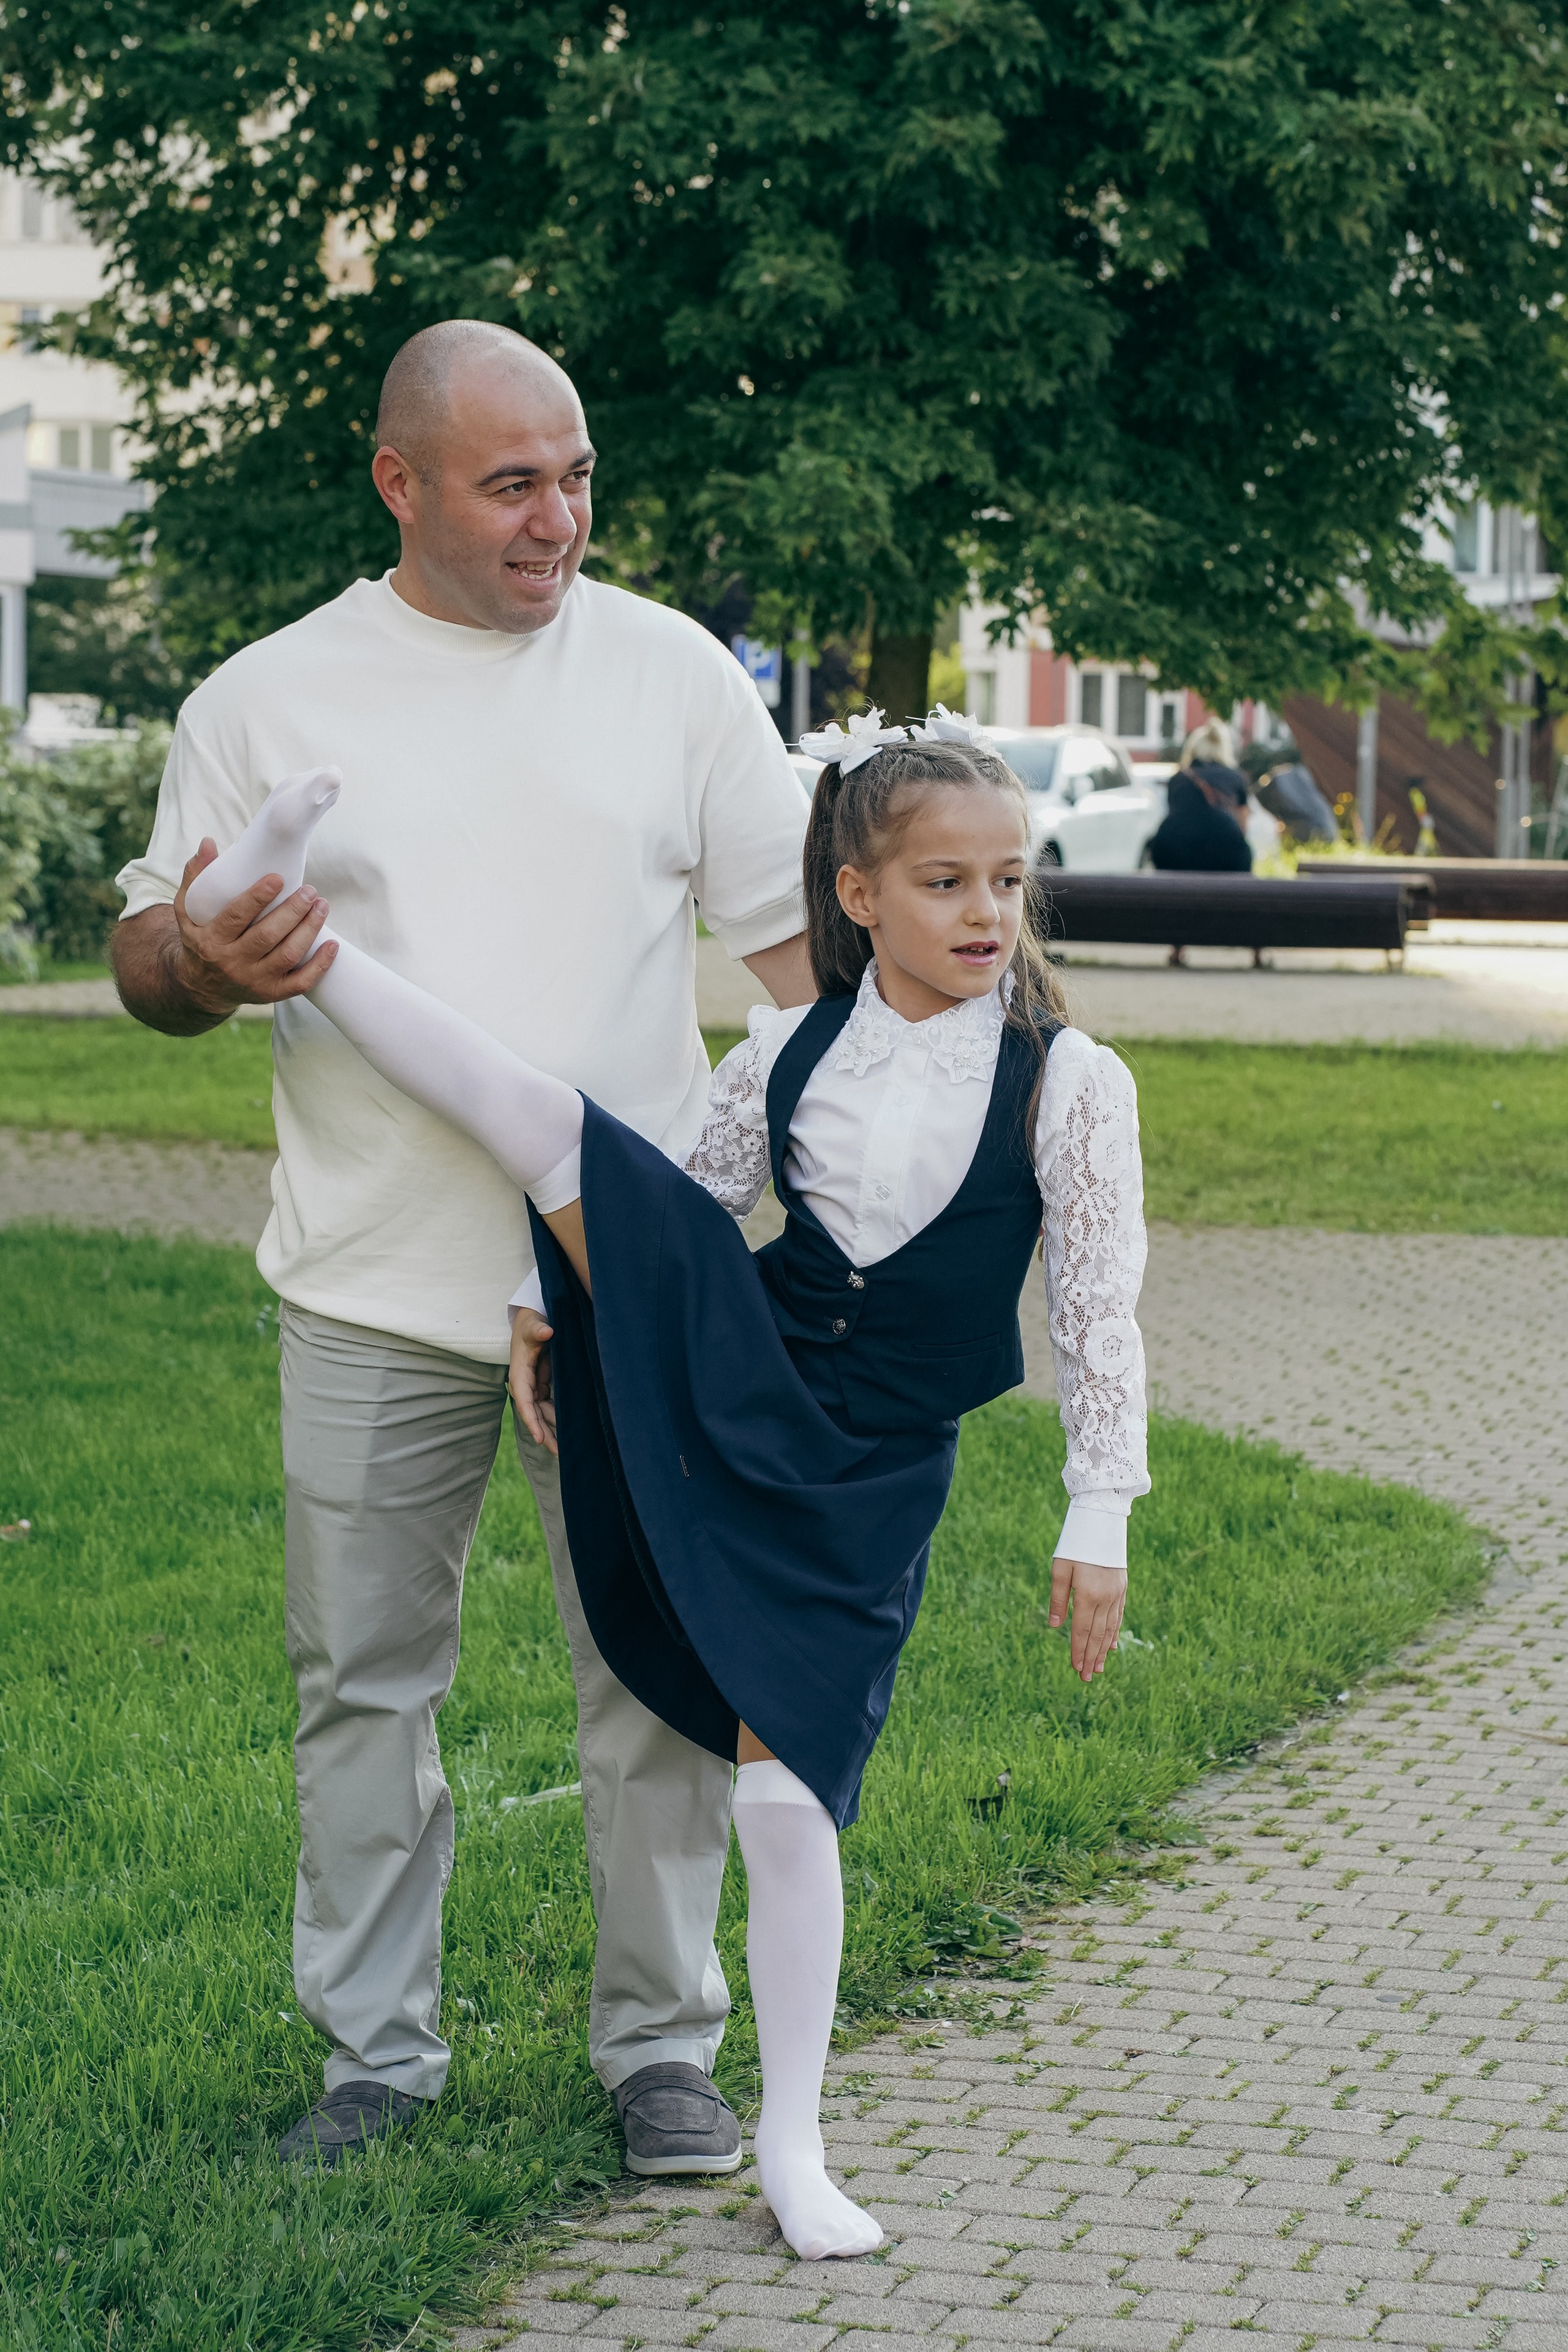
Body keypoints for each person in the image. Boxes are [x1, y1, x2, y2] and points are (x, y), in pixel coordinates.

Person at [184, 704, 1150, 2258]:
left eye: (1007, 883)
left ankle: (788, 2136)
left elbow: (1099, 1314)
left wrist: (1094, 1510)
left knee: (785, 1799)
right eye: (944, 884)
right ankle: (289, 932)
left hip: (869, 1471)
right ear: (856, 895)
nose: (985, 915)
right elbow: (675, 1196)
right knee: (558, 1129)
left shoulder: (1068, 1079)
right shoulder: (783, 1046)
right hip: (743, 1374)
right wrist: (533, 1284)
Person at [110, 321, 816, 2176]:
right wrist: (208, 961)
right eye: (514, 481)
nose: (559, 517)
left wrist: (734, 1222)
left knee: (657, 1682)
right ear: (398, 481)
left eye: (577, 475)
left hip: (622, 1284)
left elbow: (804, 981)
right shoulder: (267, 696)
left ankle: (664, 2049)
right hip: (365, 1282)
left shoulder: (669, 674)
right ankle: (373, 2061)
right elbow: (148, 960)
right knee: (361, 1682)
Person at [1147, 717, 1254, 874]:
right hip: (1226, 857)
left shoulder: (1179, 779)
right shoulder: (1235, 779)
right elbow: (1242, 827)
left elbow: (1174, 816)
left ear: (1192, 750)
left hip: (1175, 855)